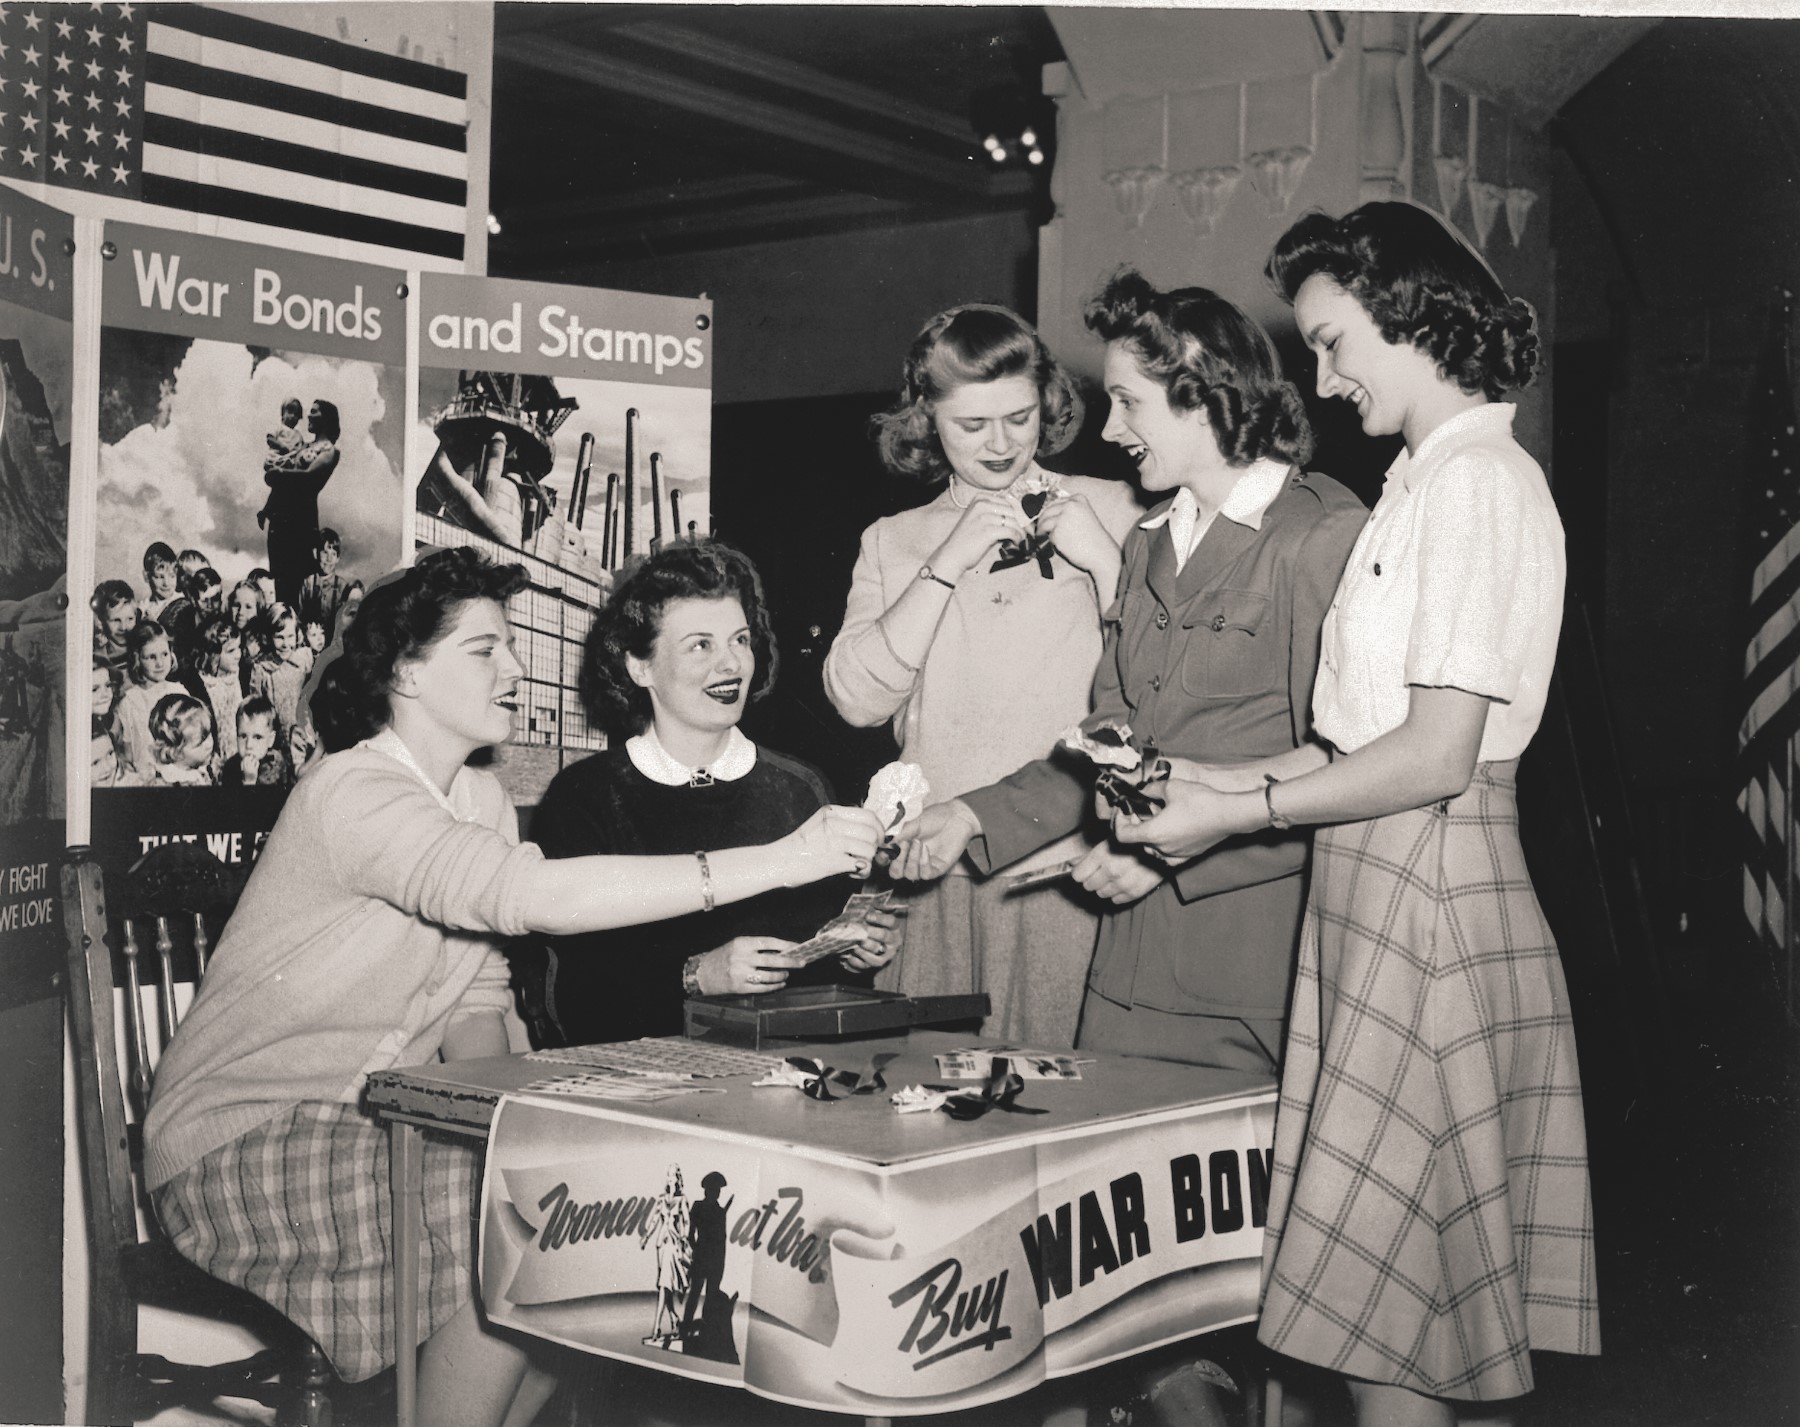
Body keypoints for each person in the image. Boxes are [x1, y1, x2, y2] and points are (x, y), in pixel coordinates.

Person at [143, 546, 884, 1427]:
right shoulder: (351, 791)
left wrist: (519, 1123)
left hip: (371, 1124)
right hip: (238, 1140)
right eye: (485, 648)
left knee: (573, 1209)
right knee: (511, 1212)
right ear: (408, 672)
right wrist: (781, 860)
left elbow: (478, 999)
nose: (516, 666)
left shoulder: (483, 799)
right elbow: (530, 899)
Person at [1110, 202, 1599, 1425]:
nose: (1320, 378)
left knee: (1395, 1331)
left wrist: (1253, 803)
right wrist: (1217, 796)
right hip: (1377, 888)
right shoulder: (1422, 483)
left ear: (1414, 317)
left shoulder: (1480, 483)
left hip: (1426, 891)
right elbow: (1358, 734)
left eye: (1335, 342)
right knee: (1386, 1318)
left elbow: (1437, 755)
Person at [898, 270, 1365, 1079]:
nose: (1109, 431)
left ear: (1199, 393)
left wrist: (1163, 854)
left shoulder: (1322, 534)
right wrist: (972, 816)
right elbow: (1110, 746)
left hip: (1244, 984)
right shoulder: (1148, 540)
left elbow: (1346, 773)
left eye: (1129, 403)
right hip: (1118, 983)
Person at [824, 302, 1142, 1045]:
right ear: (927, 418)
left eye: (1020, 417)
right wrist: (944, 562)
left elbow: (1158, 679)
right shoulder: (892, 541)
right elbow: (855, 700)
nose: (1001, 444)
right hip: (934, 874)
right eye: (973, 425)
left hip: (1067, 869)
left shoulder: (1116, 508)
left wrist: (1105, 563)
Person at [531, 540, 898, 1046]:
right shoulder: (582, 798)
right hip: (645, 1085)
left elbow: (821, 978)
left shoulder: (801, 789)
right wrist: (694, 977)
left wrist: (854, 954)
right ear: (640, 667)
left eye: (740, 640)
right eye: (700, 645)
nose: (732, 664)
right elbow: (566, 999)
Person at [263, 399, 341, 606]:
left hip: (300, 521)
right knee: (279, 580)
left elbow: (310, 478)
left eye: (314, 412)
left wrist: (280, 473)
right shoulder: (302, 445)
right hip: (279, 519)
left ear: (325, 418)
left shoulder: (329, 450)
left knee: (298, 584)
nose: (308, 415)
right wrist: (267, 509)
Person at [112, 620, 187, 782]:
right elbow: (127, 753)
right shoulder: (129, 702)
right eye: (151, 657)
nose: (160, 663)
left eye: (164, 654)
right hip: (144, 779)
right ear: (137, 659)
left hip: (177, 776)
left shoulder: (179, 692)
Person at [220, 695, 292, 789]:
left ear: (270, 740)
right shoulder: (231, 767)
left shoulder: (276, 765)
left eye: (257, 737)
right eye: (243, 736)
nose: (249, 745)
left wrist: (250, 781)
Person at [146, 692, 216, 787]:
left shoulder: (202, 768)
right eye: (200, 743)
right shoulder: (170, 784)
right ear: (176, 753)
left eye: (208, 734)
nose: (209, 744)